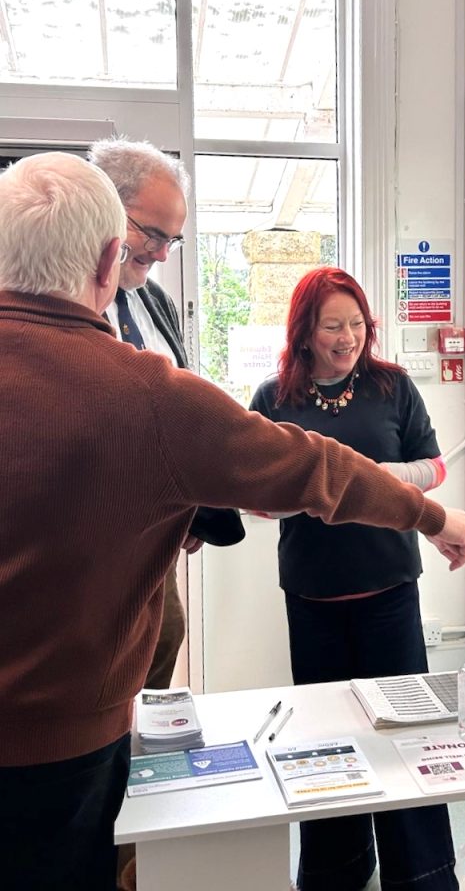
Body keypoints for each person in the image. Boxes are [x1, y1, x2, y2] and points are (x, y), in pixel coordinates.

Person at [0, 153, 465, 891]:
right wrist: (430, 516)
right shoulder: (152, 392)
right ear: (110, 262)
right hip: (64, 743)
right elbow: (311, 469)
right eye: (150, 242)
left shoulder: (387, 387)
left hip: (380, 591)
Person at [249, 266, 459, 891]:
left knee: (408, 736)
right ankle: (336, 869)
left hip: (390, 589)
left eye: (358, 324)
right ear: (304, 332)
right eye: (332, 327)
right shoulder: (273, 399)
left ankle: (421, 874)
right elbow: (256, 496)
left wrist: (370, 478)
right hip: (312, 594)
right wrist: (317, 490)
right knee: (326, 739)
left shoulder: (392, 387)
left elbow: (434, 468)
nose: (348, 338)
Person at [87, 137, 245, 890]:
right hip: (84, 552)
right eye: (152, 233)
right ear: (102, 211)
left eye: (172, 240)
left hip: (156, 540)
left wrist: (192, 506)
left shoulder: (150, 301)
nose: (160, 253)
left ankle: (130, 849)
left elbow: (177, 414)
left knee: (158, 648)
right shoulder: (53, 301)